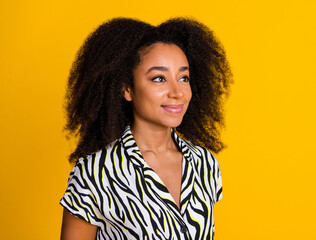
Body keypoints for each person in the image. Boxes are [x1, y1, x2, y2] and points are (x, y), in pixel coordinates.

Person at [60, 17, 232, 240]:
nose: (177, 92)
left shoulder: (204, 164)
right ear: (127, 89)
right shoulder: (94, 175)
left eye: (183, 77)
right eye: (159, 78)